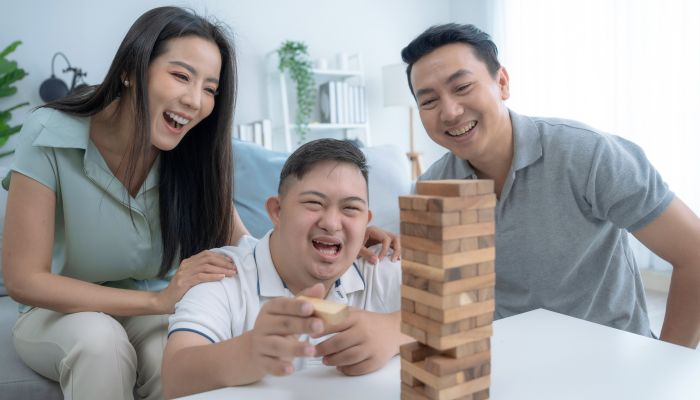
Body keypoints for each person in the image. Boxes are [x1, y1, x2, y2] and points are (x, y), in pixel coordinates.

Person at [1, 8, 399, 400]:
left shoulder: (194, 153)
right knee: (99, 342)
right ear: (130, 70)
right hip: (60, 312)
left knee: (175, 362)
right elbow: (23, 280)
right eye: (180, 76)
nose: (195, 100)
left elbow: (250, 248)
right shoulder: (49, 132)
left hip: (152, 310)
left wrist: (340, 235)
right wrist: (158, 301)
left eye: (210, 88)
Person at [401, 23, 700, 349]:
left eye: (462, 87)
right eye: (428, 102)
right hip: (510, 363)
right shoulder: (430, 188)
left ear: (502, 83)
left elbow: (694, 253)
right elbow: (437, 301)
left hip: (613, 359)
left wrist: (669, 361)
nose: (450, 111)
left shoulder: (588, 154)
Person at [161, 139, 413, 399]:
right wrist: (250, 352)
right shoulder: (220, 273)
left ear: (366, 222)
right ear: (277, 211)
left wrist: (397, 329)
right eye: (314, 203)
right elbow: (174, 378)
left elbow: (458, 309)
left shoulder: (379, 267)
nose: (332, 223)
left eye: (350, 208)